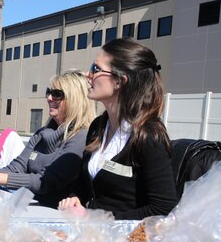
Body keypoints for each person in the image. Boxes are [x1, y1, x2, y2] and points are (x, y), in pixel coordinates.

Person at [58, 39, 178, 219]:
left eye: (95, 69)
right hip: (93, 237)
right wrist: (74, 197)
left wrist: (98, 221)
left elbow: (163, 208)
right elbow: (84, 183)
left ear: (119, 82)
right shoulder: (98, 127)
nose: (87, 74)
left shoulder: (148, 136)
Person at [0, 70, 96, 208]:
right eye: (48, 92)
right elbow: (17, 167)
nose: (49, 98)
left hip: (55, 215)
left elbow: (46, 181)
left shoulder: (81, 136)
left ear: (74, 99)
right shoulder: (42, 133)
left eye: (57, 94)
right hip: (27, 206)